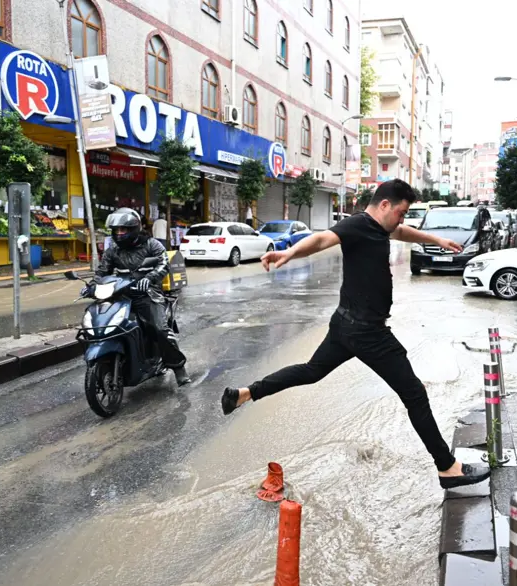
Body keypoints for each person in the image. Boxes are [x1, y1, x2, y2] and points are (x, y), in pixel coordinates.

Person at [220, 179, 490, 488]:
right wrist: (288, 253)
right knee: (414, 394)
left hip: (344, 324)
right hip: (367, 332)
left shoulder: (380, 226)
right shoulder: (357, 224)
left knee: (311, 371)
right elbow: (322, 239)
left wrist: (435, 240)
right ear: (385, 205)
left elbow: (400, 232)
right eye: (401, 212)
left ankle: (246, 393)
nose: (402, 220)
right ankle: (447, 467)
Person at [97, 208, 191, 384]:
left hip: (148, 294)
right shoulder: (113, 250)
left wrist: (149, 278)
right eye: (116, 230)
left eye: (123, 230)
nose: (119, 233)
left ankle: (178, 367)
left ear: (134, 229)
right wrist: (93, 285)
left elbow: (164, 264)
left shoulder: (151, 244)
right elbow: (102, 271)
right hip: (121, 294)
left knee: (159, 328)